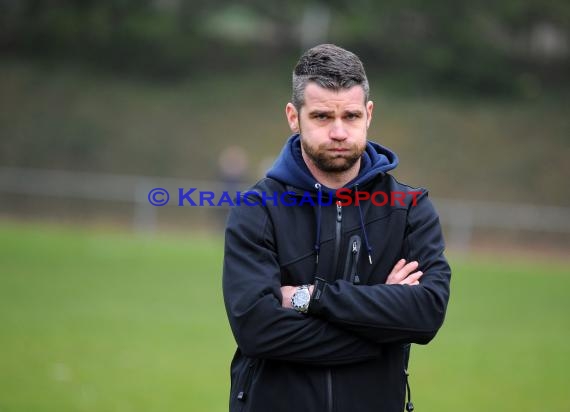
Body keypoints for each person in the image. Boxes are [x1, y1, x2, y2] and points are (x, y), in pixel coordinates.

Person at [222, 44, 451, 412]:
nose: (339, 131)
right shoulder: (258, 207)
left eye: (351, 116)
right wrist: (381, 333)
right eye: (322, 117)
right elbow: (258, 331)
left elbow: (425, 314)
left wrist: (309, 298)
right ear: (293, 117)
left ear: (369, 114)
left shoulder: (409, 208)